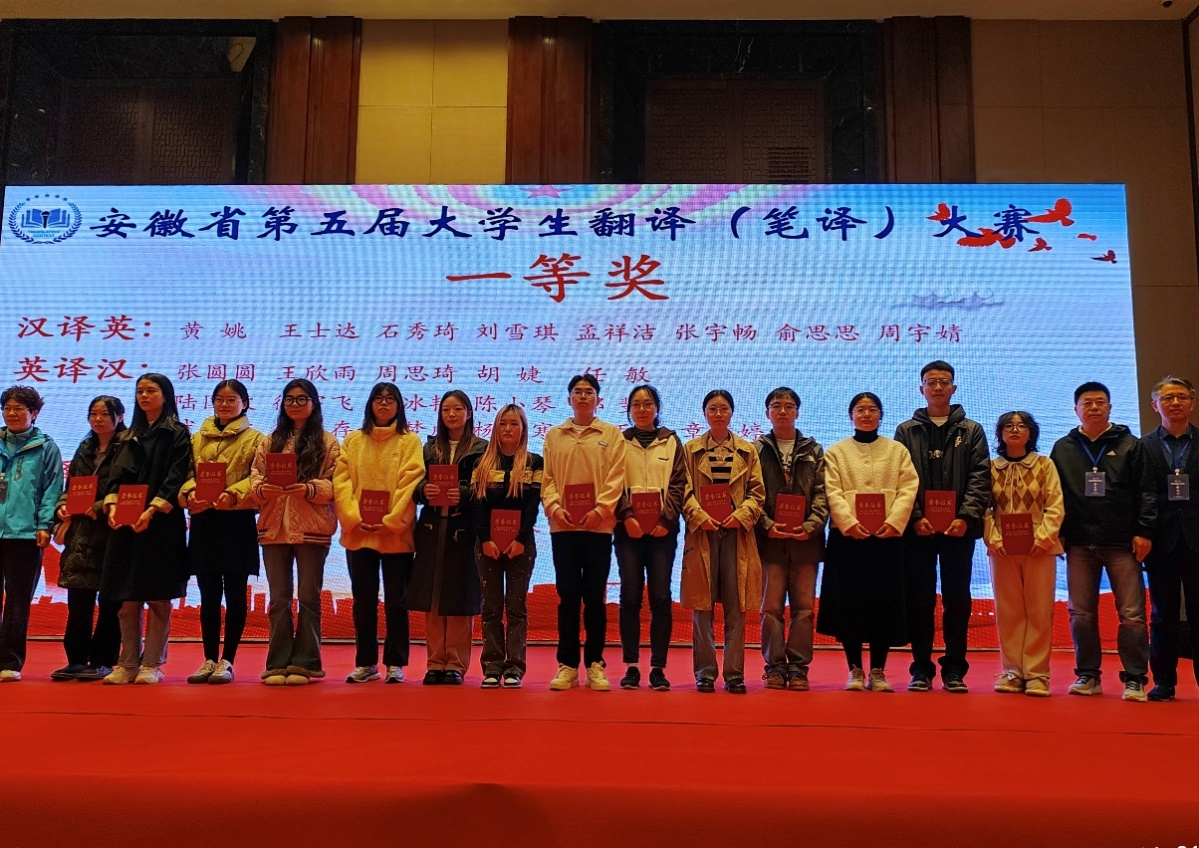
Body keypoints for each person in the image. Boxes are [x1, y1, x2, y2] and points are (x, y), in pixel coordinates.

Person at [1050, 380, 1155, 702]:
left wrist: (1144, 531)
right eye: (1087, 403)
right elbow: (1054, 496)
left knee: (1132, 615)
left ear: (1110, 407)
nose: (1094, 407)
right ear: (1076, 409)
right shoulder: (1063, 448)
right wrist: (1058, 534)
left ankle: (1135, 678)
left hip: (1122, 542)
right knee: (1080, 614)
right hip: (1079, 543)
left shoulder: (1131, 445)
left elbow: (1147, 491)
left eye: (1100, 402)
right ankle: (1088, 675)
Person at [894, 360, 990, 693]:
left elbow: (980, 477)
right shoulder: (906, 431)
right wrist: (915, 516)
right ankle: (920, 668)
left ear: (954, 388)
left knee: (957, 600)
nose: (937, 387)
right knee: (920, 599)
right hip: (918, 530)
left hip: (958, 531)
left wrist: (965, 517)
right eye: (931, 382)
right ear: (921, 389)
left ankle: (954, 669)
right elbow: (900, 478)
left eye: (944, 381)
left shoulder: (972, 430)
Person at [817, 392, 918, 693]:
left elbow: (908, 487)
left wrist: (894, 521)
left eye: (872, 410)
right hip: (848, 540)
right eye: (860, 410)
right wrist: (849, 523)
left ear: (880, 415)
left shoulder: (897, 450)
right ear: (851, 415)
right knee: (850, 604)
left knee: (883, 604)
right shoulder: (836, 452)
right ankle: (855, 670)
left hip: (887, 539)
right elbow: (832, 491)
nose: (866, 415)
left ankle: (878, 670)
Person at [100, 374, 192, 685]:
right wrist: (113, 507)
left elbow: (175, 477)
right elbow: (114, 478)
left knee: (157, 597)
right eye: (140, 391)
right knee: (127, 597)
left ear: (166, 396)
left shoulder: (177, 433)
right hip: (126, 524)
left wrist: (152, 510)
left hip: (160, 524)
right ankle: (127, 662)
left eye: (151, 391)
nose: (144, 396)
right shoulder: (127, 436)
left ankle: (152, 662)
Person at [251, 378, 340, 686]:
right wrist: (262, 489)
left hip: (312, 529)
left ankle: (306, 663)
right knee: (278, 599)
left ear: (314, 403)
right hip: (273, 528)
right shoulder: (270, 441)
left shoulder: (328, 442)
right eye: (290, 399)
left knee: (309, 598)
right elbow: (254, 477)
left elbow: (336, 483)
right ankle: (277, 663)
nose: (295, 405)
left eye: (302, 399)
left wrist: (310, 488)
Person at [334, 382, 423, 685]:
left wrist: (391, 520)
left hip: (395, 535)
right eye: (378, 399)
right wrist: (354, 517)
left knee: (397, 602)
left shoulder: (409, 441)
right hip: (359, 533)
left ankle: (395, 663)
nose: (384, 404)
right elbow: (342, 482)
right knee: (363, 601)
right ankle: (366, 663)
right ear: (370, 404)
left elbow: (411, 483)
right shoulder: (353, 440)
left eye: (390, 399)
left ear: (399, 405)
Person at [542, 374, 627, 691]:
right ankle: (567, 665)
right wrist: (554, 508)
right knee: (567, 597)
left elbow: (617, 477)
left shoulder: (611, 434)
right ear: (569, 399)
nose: (582, 396)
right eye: (577, 392)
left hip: (598, 528)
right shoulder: (554, 435)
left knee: (594, 598)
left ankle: (595, 664)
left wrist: (600, 510)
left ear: (597, 399)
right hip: (563, 527)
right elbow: (548, 478)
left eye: (588, 392)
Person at [681, 390, 765, 694]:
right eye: (713, 409)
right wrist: (699, 516)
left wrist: (740, 516)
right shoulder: (690, 450)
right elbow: (683, 490)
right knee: (702, 607)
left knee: (736, 606)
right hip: (702, 534)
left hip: (736, 534)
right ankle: (704, 673)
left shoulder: (747, 450)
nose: (718, 414)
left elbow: (757, 492)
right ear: (704, 413)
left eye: (724, 408)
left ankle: (734, 674)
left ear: (732, 413)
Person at [180, 380, 263, 685]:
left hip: (237, 521)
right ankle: (209, 659)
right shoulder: (196, 438)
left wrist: (232, 494)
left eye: (232, 399)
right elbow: (186, 473)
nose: (225, 404)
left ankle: (228, 660)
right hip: (205, 521)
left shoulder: (256, 439)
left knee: (236, 594)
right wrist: (191, 492)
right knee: (209, 594)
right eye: (219, 399)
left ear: (245, 403)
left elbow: (258, 477)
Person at [983, 411, 1064, 697]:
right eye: (1009, 426)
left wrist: (1043, 538)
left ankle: (1037, 674)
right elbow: (984, 508)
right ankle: (1013, 671)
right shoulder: (990, 468)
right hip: (1002, 549)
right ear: (1000, 433)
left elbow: (1055, 504)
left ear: (1031, 433)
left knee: (1039, 610)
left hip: (1039, 547)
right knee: (1008, 611)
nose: (1015, 430)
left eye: (1022, 426)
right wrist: (994, 539)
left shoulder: (1045, 464)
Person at [410, 390, 486, 685]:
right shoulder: (429, 448)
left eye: (457, 409)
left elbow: (485, 487)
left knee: (459, 597)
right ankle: (434, 662)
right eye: (446, 410)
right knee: (433, 596)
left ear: (469, 413)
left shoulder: (481, 448)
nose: (451, 414)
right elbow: (413, 483)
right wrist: (423, 490)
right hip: (432, 528)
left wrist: (464, 494)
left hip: (462, 531)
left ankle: (455, 663)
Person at [614, 385, 687, 691]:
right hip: (627, 531)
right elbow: (613, 482)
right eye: (636, 404)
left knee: (660, 596)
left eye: (648, 404)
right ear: (629, 409)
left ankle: (658, 668)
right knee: (630, 596)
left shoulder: (671, 441)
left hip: (662, 533)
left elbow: (679, 483)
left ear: (657, 407)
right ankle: (631, 666)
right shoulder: (619, 441)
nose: (642, 409)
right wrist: (627, 516)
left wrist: (666, 519)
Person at [755, 387, 828, 692]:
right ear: (767, 413)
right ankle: (774, 667)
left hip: (806, 542)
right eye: (776, 406)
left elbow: (823, 493)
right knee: (770, 608)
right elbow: (750, 494)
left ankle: (798, 667)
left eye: (788, 406)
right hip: (770, 542)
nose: (782, 411)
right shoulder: (756, 450)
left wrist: (811, 524)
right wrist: (766, 524)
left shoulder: (814, 450)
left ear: (797, 411)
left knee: (804, 609)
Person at [50, 396, 124, 681]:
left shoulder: (127, 447)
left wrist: (101, 506)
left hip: (112, 531)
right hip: (81, 535)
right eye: (93, 414)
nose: (98, 419)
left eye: (104, 414)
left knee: (109, 604)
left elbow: (130, 487)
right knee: (78, 603)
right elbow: (71, 487)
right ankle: (76, 660)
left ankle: (103, 661)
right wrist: (62, 506)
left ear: (119, 417)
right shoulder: (84, 448)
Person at [471, 404, 543, 688]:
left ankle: (514, 667)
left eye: (514, 423)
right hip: (486, 546)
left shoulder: (534, 463)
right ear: (495, 428)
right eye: (503, 423)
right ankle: (491, 666)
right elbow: (477, 507)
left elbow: (532, 506)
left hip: (521, 547)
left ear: (523, 429)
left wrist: (520, 540)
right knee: (490, 607)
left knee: (516, 607)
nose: (508, 429)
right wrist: (486, 539)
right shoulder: (481, 463)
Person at [1139, 376, 1199, 701]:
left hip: (1197, 539)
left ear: (1192, 402)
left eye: (1181, 397)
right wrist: (1143, 533)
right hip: (1160, 541)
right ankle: (1163, 681)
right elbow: (1141, 494)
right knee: (1162, 614)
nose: (1175, 403)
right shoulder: (1143, 446)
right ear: (1155, 405)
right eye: (1167, 398)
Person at [0, 386, 64, 682]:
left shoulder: (46, 447)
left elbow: (52, 489)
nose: (11, 413)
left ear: (34, 413)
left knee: (17, 601)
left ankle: (9, 662)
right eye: (7, 408)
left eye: (19, 408)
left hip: (25, 535)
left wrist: (44, 525)